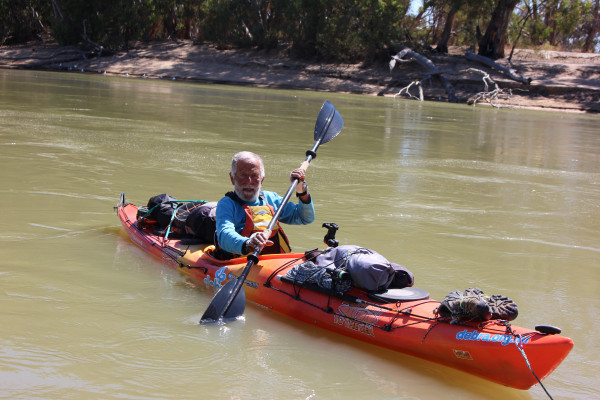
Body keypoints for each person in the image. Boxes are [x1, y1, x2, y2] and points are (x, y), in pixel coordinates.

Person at [214, 151, 315, 259]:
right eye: (243, 175)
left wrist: (301, 190)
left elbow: (305, 218)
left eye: (254, 175)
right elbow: (224, 235)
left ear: (262, 179)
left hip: (276, 262)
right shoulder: (227, 204)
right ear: (232, 178)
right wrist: (248, 243)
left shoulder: (271, 199)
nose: (249, 181)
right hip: (241, 262)